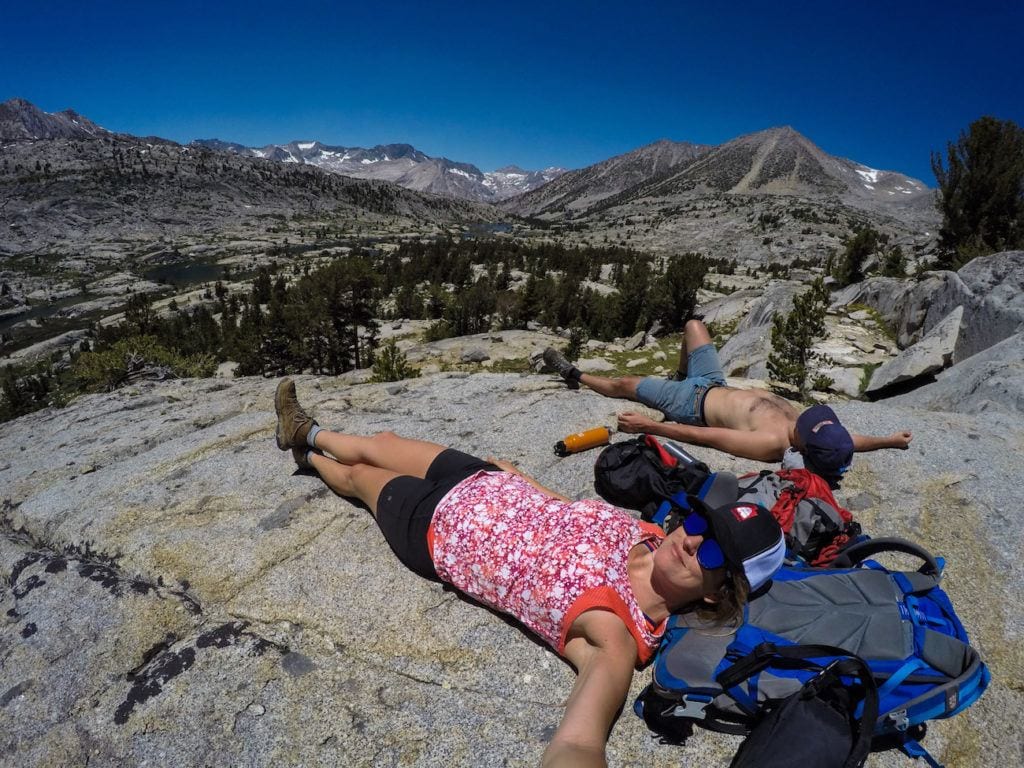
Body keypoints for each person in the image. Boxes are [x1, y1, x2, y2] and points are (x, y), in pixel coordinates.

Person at [273, 377, 786, 768]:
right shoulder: (651, 536)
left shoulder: (617, 634)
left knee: (361, 475)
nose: (692, 539)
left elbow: (579, 741)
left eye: (713, 555)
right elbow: (574, 514)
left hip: (438, 530)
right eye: (700, 522)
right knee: (380, 440)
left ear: (718, 596)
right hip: (487, 481)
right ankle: (307, 430)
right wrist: (528, 483)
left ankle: (309, 458)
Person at [543, 319, 913, 487]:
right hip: (711, 382)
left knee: (625, 384)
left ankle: (574, 375)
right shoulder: (817, 433)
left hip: (690, 403)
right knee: (693, 325)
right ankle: (679, 371)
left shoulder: (771, 442)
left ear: (802, 446)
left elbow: (706, 438)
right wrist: (890, 440)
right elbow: (848, 441)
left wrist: (651, 426)